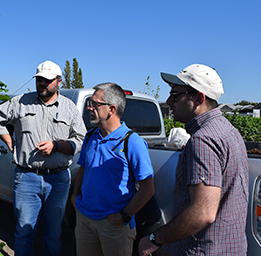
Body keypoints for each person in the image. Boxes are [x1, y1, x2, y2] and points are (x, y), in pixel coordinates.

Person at [139, 64, 249, 255]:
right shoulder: (227, 130)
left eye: (175, 96)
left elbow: (203, 213)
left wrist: (154, 239)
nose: (168, 101)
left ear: (199, 98)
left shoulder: (203, 140)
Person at [0, 60, 87, 256]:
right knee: (24, 232)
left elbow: (80, 139)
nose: (42, 84)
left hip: (58, 180)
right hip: (26, 177)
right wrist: (8, 138)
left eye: (47, 80)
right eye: (39, 79)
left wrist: (56, 146)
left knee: (54, 233)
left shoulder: (69, 108)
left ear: (59, 81)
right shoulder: (20, 102)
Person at [71, 82, 155, 256]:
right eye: (89, 103)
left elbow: (147, 189)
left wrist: (123, 216)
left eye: (94, 104)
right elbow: (83, 169)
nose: (89, 108)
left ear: (111, 109)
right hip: (85, 218)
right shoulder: (91, 136)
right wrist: (74, 197)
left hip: (114, 225)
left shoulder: (132, 142)